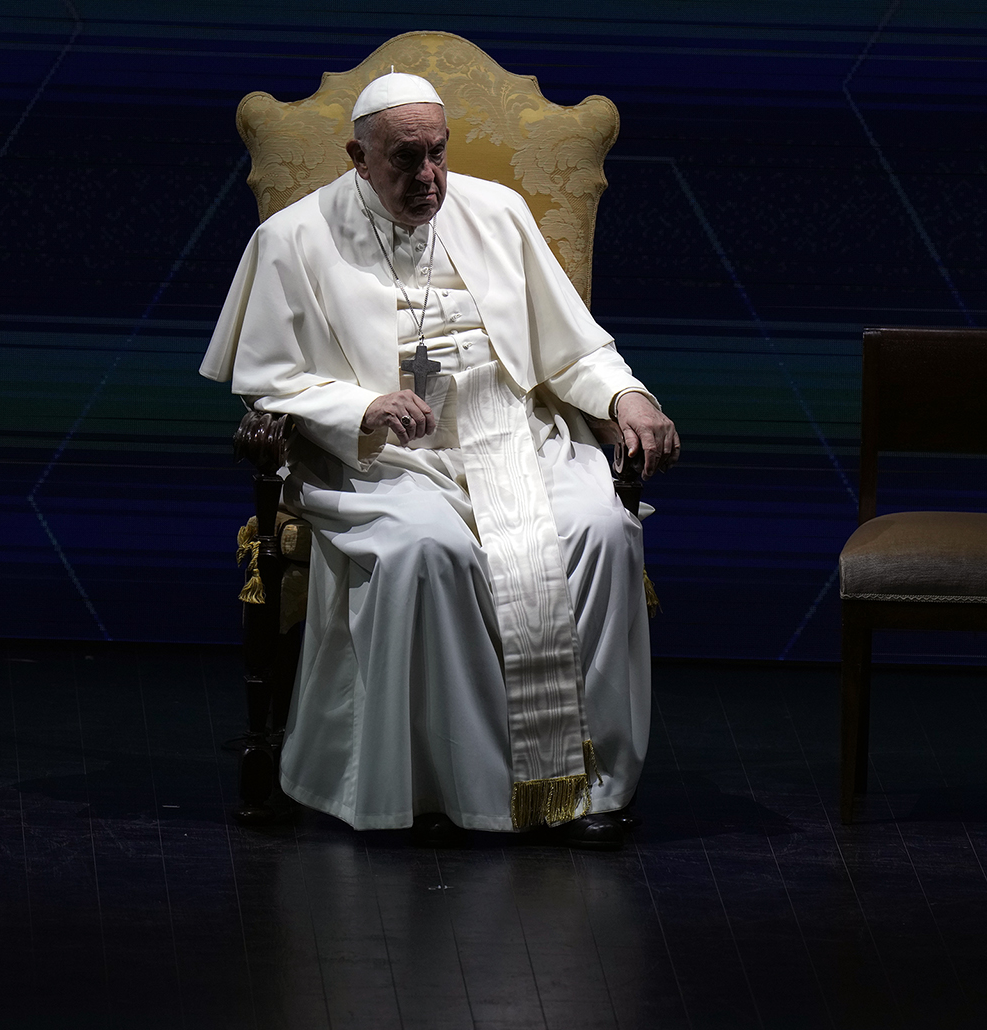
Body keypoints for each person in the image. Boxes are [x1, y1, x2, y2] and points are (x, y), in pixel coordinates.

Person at [200, 72, 678, 849]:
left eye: (438, 155)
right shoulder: (291, 239)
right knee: (431, 550)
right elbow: (267, 379)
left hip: (516, 433)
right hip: (385, 458)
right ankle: (447, 789)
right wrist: (360, 406)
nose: (428, 179)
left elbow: (571, 346)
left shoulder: (497, 212)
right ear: (359, 155)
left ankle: (582, 785)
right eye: (405, 160)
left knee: (600, 529)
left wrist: (628, 396)